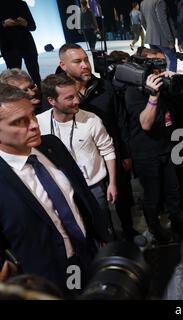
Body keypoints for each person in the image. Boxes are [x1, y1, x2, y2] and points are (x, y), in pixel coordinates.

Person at [0, 83, 109, 291]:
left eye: (32, 115)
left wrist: (100, 234)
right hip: (44, 279)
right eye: (19, 122)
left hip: (88, 254)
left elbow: (82, 195)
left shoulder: (52, 145)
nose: (34, 125)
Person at [58, 44, 138, 242]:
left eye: (86, 60)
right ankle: (105, 240)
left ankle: (129, 231)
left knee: (123, 196)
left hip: (112, 153)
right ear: (63, 65)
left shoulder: (106, 87)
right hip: (81, 160)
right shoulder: (55, 92)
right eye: (78, 62)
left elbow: (121, 123)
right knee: (94, 204)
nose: (85, 65)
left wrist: (126, 154)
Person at [124, 48, 183, 243]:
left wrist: (178, 77)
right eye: (155, 64)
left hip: (169, 147)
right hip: (146, 152)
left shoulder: (167, 84)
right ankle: (155, 228)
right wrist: (153, 96)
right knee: (153, 196)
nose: (160, 68)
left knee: (174, 191)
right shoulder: (134, 89)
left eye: (162, 63)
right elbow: (146, 124)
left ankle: (177, 223)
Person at [38, 73, 117, 239]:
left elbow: (108, 150)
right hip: (61, 191)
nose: (77, 101)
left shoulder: (91, 120)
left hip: (94, 188)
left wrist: (112, 183)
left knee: (103, 230)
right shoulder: (39, 123)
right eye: (69, 98)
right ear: (52, 100)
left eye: (76, 95)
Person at [0, 0, 41, 84]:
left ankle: (41, 93)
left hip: (27, 44)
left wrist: (25, 23)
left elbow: (33, 26)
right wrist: (4, 24)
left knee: (35, 74)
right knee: (15, 78)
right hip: (8, 46)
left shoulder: (22, 4)